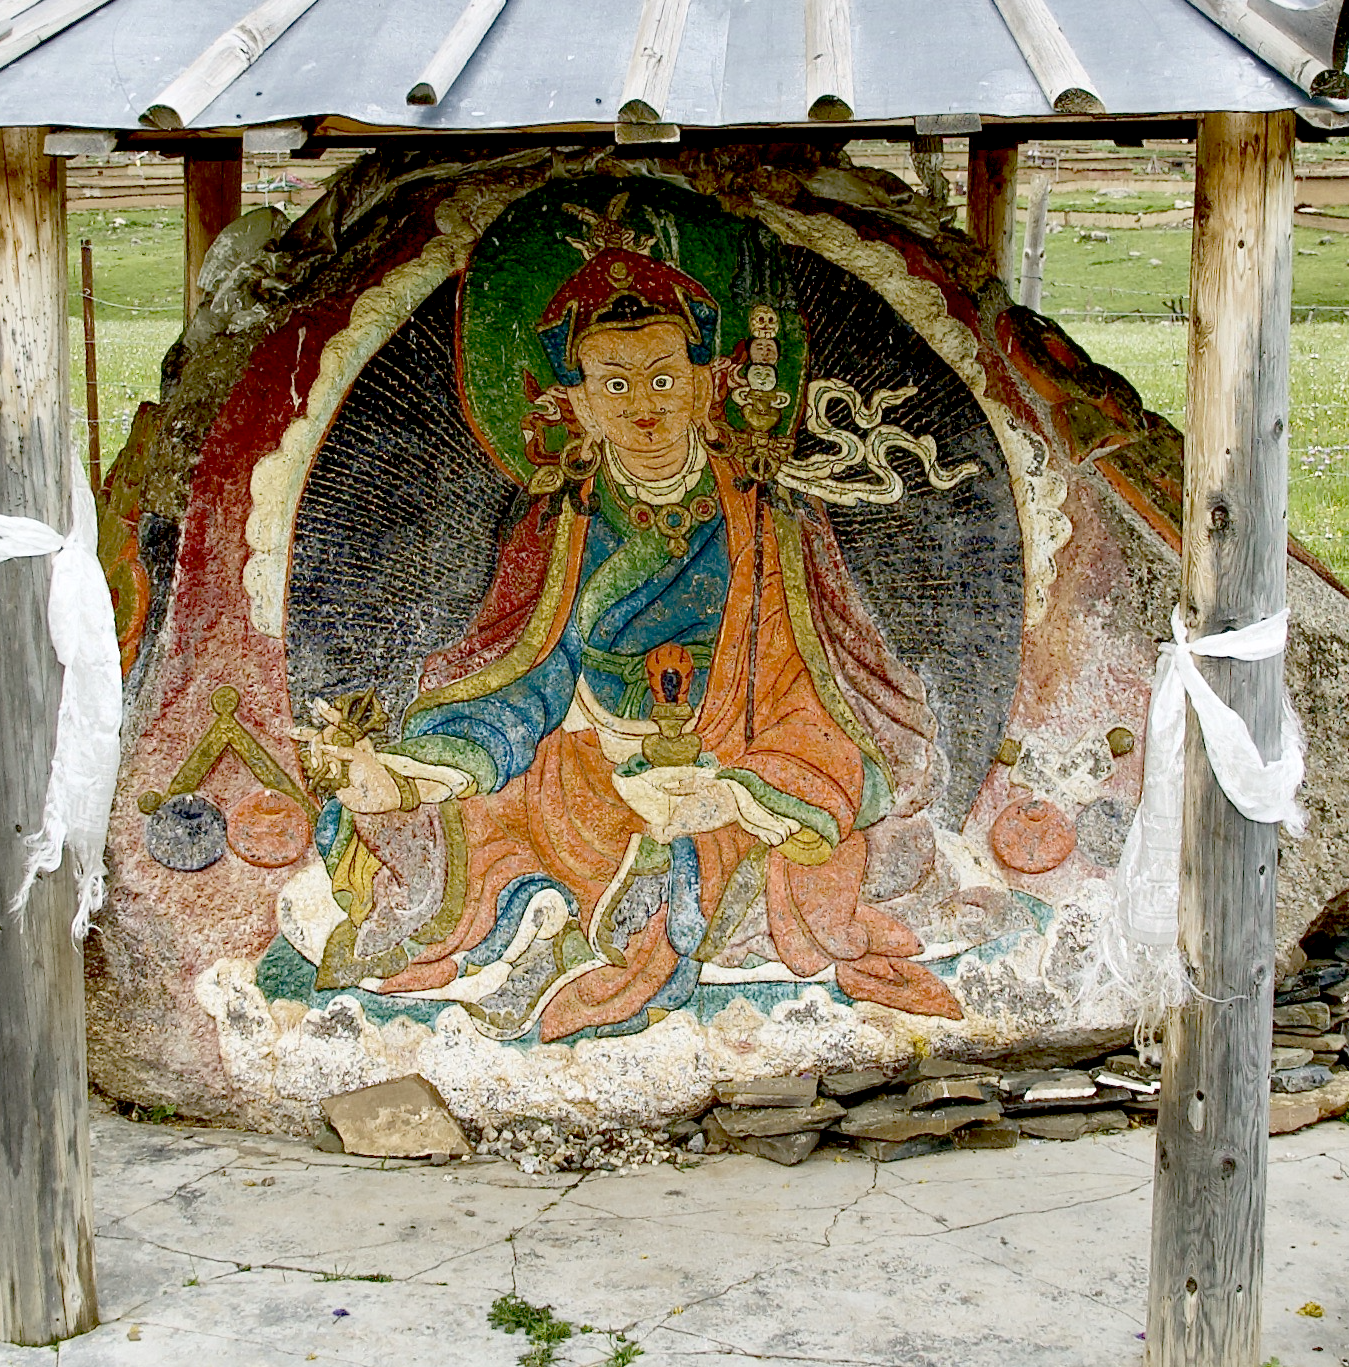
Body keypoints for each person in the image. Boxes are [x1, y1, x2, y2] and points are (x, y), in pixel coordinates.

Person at [300, 208, 960, 1043]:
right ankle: (545, 919)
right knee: (468, 821)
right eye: (612, 382)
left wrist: (733, 787)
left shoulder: (766, 518)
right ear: (571, 402)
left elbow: (808, 688)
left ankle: (592, 929)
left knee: (753, 843)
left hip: (724, 769)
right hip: (581, 768)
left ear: (707, 381)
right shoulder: (561, 519)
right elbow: (525, 672)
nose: (641, 404)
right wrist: (423, 772)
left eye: (660, 375)